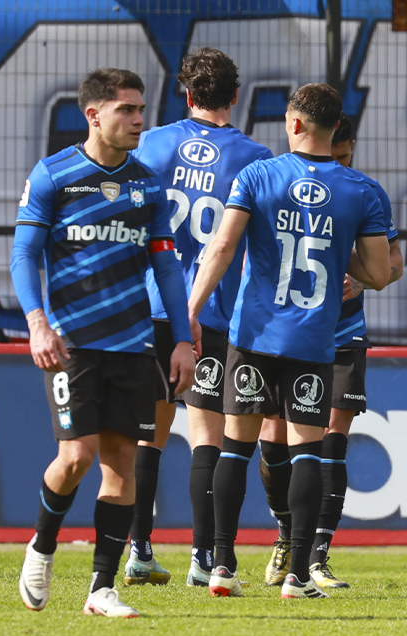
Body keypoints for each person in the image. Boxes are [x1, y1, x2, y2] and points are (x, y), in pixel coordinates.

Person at [187, 83, 392, 600]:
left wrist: (190, 311)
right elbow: (379, 274)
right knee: (307, 454)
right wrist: (335, 247)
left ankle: (222, 565)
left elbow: (222, 247)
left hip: (253, 335)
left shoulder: (258, 175)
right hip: (313, 340)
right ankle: (298, 575)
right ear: (335, 127)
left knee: (236, 448)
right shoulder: (362, 191)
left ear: (294, 123)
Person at [12, 68, 196, 618]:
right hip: (72, 345)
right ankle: (42, 546)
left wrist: (181, 340)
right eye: (127, 110)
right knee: (75, 457)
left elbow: (166, 267)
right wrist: (37, 323)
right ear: (94, 115)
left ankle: (101, 589)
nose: (140, 120)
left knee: (121, 464)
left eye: (141, 109)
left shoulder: (148, 185)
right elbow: (24, 255)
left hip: (134, 345)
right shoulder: (54, 175)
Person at [122, 47, 274, 588]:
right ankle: (203, 558)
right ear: (236, 95)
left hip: (152, 305)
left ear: (186, 94)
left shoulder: (151, 143)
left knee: (149, 435)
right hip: (210, 313)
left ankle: (138, 551)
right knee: (206, 435)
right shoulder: (256, 157)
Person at [257, 112, 403, 590]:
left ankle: (316, 556)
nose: (334, 163)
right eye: (330, 154)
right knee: (273, 438)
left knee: (332, 439)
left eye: (343, 155)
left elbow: (393, 263)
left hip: (343, 333)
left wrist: (361, 279)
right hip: (285, 333)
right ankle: (287, 533)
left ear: (351, 148)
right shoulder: (277, 181)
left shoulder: (364, 191)